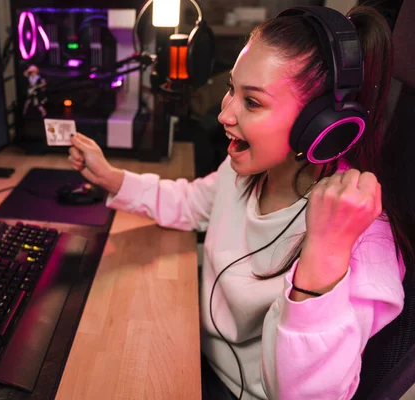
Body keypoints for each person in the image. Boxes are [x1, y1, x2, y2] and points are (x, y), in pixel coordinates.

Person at [67, 5, 413, 400]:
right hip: (194, 360)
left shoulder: (362, 240)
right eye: (232, 88)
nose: (224, 113)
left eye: (252, 103)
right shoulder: (243, 172)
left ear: (321, 126)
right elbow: (191, 202)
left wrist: (324, 258)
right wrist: (111, 177)